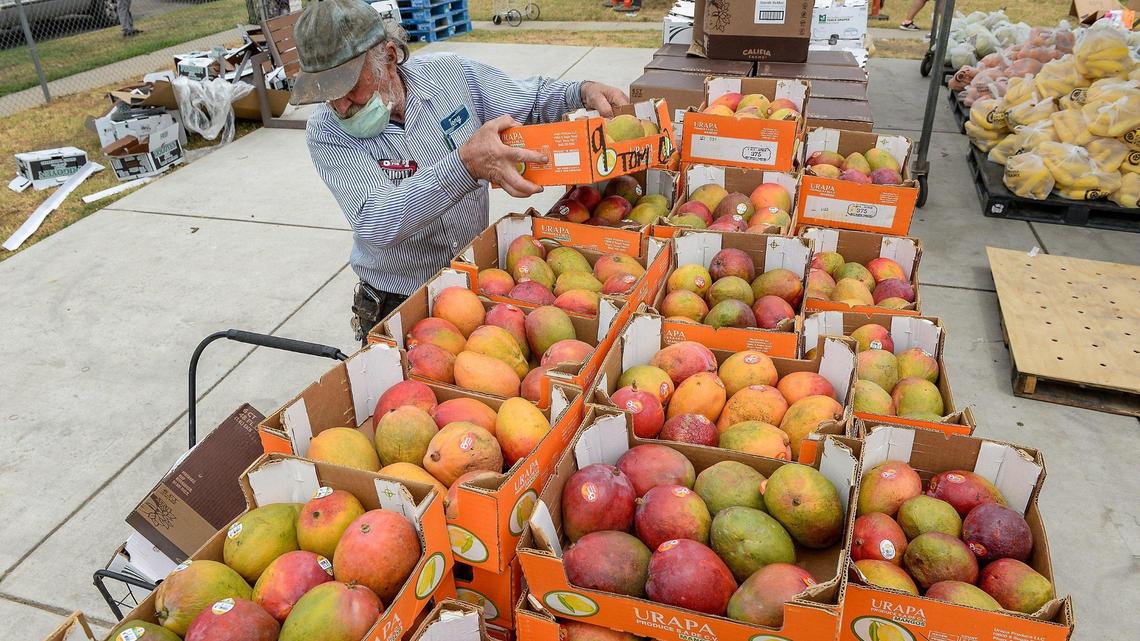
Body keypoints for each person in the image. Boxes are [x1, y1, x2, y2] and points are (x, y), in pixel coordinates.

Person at [290, 0, 630, 344]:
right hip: (399, 302)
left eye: (349, 89)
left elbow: (530, 99)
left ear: (389, 58)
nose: (342, 106)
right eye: (328, 95)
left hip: (473, 285)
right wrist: (465, 165)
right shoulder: (327, 131)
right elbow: (377, 220)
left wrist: (581, 92)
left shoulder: (451, 75)